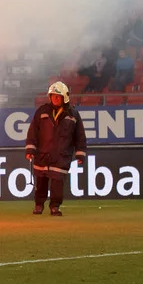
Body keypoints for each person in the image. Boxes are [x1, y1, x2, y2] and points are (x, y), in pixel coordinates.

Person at [26, 80, 87, 217]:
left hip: (61, 156)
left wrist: (80, 154)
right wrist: (30, 150)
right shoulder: (42, 111)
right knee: (40, 182)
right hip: (42, 155)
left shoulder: (73, 115)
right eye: (52, 95)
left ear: (64, 97)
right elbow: (33, 132)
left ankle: (55, 207)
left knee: (57, 184)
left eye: (57, 96)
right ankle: (39, 205)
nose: (55, 98)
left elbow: (80, 136)